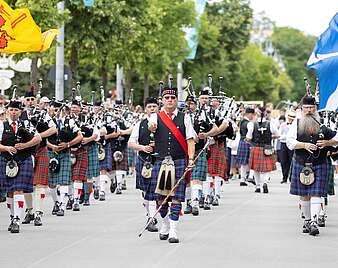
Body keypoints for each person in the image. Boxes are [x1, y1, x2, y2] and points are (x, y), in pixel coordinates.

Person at [148, 86, 196, 243]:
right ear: (162, 100)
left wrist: (190, 160)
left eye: (172, 98)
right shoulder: (156, 116)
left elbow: (190, 140)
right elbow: (151, 126)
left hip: (179, 160)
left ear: (176, 100)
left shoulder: (185, 117)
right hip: (161, 161)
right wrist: (152, 127)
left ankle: (174, 231)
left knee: (176, 198)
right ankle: (165, 224)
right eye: (166, 98)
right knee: (160, 198)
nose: (169, 100)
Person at [286, 95, 338, 236]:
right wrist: (303, 145)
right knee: (304, 195)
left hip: (320, 163)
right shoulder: (296, 124)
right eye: (306, 108)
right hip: (301, 163)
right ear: (302, 109)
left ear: (315, 108)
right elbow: (289, 142)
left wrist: (327, 143)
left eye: (311, 107)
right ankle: (307, 220)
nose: (309, 110)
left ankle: (314, 222)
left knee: (316, 194)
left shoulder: (322, 124)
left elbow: (336, 138)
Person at [0, 98, 42, 233]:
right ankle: (12, 217)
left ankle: (17, 219)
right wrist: (6, 148)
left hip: (23, 158)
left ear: (20, 112)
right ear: (7, 111)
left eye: (16, 110)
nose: (13, 112)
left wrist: (24, 145)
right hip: (6, 159)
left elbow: (38, 138)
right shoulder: (2, 125)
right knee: (10, 192)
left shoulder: (26, 124)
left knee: (18, 189)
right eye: (11, 109)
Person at [128, 97, 159, 232]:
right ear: (146, 109)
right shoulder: (139, 125)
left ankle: (151, 218)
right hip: (144, 160)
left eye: (154, 106)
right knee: (146, 191)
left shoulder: (164, 123)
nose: (152, 109)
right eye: (150, 106)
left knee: (155, 191)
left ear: (158, 108)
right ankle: (150, 214)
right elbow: (130, 143)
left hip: (160, 160)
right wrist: (143, 147)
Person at [246, 106, 279, 193]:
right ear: (265, 114)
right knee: (266, 169)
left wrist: (250, 139)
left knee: (256, 169)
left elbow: (248, 137)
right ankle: (265, 182)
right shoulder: (270, 124)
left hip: (256, 148)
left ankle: (257, 186)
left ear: (257, 114)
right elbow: (278, 135)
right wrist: (270, 136)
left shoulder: (252, 124)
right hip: (267, 147)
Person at [237, 107, 255, 186]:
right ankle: (250, 176)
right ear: (249, 114)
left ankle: (242, 179)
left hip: (241, 141)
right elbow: (250, 133)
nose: (253, 116)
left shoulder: (241, 122)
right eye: (252, 114)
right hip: (248, 142)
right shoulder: (249, 123)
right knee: (251, 161)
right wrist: (249, 138)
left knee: (243, 163)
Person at [278, 111, 296, 183]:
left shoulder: (295, 126)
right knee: (283, 161)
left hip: (292, 144)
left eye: (292, 118)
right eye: (290, 118)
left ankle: (291, 177)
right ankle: (284, 177)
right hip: (284, 144)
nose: (291, 119)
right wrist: (286, 137)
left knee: (291, 160)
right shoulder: (283, 125)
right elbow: (279, 135)